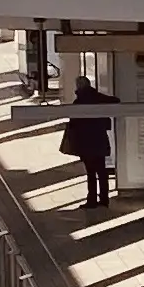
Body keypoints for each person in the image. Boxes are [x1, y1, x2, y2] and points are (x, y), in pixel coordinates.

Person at [64, 78, 115, 208]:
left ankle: (92, 200)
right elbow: (115, 101)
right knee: (102, 171)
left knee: (91, 172)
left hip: (86, 142)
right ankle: (104, 199)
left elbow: (73, 124)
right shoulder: (98, 98)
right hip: (99, 139)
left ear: (79, 86)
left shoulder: (78, 102)